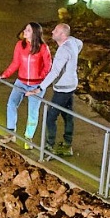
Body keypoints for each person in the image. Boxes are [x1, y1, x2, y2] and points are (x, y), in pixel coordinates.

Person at [1, 22, 51, 144]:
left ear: (35, 33)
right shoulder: (20, 45)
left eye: (28, 30)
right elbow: (15, 63)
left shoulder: (43, 48)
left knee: (32, 112)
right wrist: (4, 75)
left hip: (36, 85)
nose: (24, 31)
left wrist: (39, 79)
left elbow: (48, 67)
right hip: (21, 82)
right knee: (11, 104)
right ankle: (11, 133)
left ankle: (28, 138)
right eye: (25, 29)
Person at [38, 22, 83, 157]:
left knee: (50, 117)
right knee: (68, 114)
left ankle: (49, 146)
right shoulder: (73, 41)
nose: (52, 32)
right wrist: (72, 61)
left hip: (63, 88)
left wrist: (40, 87)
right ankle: (67, 144)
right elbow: (80, 44)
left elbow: (55, 71)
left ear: (63, 35)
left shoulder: (63, 51)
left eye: (56, 31)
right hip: (71, 85)